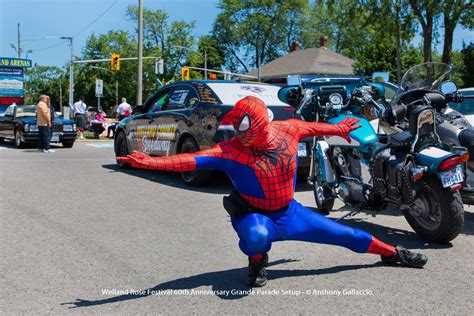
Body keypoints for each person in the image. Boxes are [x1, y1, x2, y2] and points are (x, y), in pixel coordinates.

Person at [118, 96, 427, 287]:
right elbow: (189, 159)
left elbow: (316, 128)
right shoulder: (231, 149)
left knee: (346, 235)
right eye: (239, 129)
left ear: (261, 124)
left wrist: (343, 128)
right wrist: (150, 162)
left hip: (290, 213)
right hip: (255, 215)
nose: (240, 135)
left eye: (244, 128)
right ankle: (257, 262)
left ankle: (393, 253)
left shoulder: (288, 129)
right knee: (254, 236)